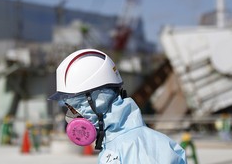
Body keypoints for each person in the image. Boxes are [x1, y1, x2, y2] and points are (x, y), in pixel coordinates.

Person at [48, 48, 187, 164]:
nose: (71, 114)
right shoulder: (116, 145)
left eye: (75, 104)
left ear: (99, 99)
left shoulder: (140, 150)